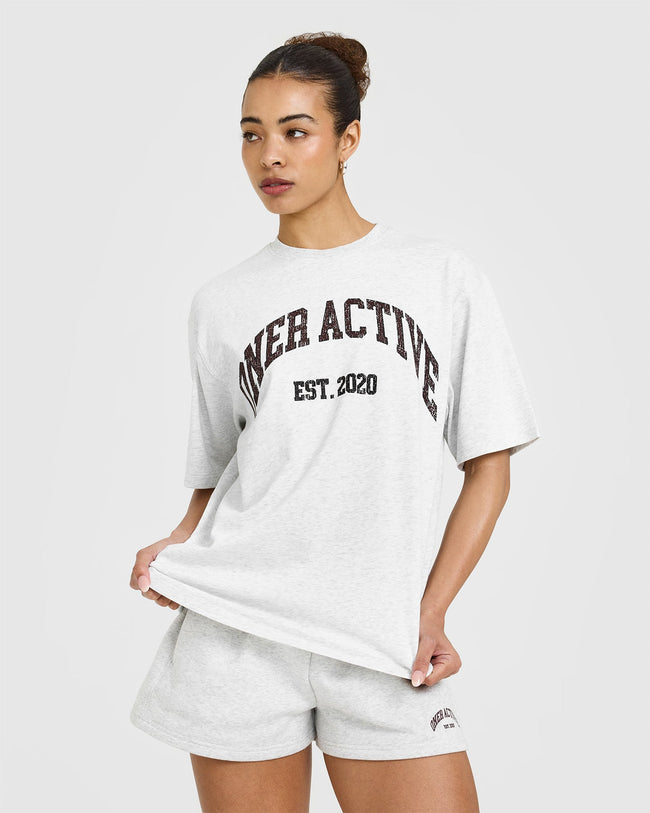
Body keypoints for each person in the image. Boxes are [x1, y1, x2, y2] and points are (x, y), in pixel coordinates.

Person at [129, 31, 540, 813]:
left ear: (349, 139)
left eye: (296, 131)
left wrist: (430, 611)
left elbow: (490, 468)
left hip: (382, 639)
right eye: (251, 134)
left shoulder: (439, 277)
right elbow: (220, 469)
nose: (270, 156)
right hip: (239, 636)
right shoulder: (222, 303)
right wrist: (181, 540)